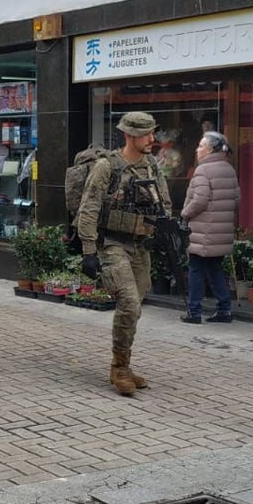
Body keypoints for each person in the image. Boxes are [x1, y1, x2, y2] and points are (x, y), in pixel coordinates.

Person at [76, 111, 173, 395]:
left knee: (136, 306)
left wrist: (163, 230)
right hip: (113, 244)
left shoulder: (152, 167)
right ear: (129, 135)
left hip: (141, 245)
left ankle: (124, 363)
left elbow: (165, 202)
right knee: (129, 302)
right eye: (146, 134)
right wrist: (88, 251)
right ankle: (119, 367)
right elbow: (89, 208)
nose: (152, 139)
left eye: (152, 133)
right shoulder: (107, 167)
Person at [180, 131, 239, 324]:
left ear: (211, 149)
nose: (197, 149)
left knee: (196, 269)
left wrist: (184, 213)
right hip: (220, 232)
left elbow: (200, 200)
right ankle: (224, 310)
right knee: (215, 269)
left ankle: (194, 312)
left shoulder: (203, 170)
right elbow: (236, 199)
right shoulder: (229, 169)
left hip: (203, 230)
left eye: (201, 146)